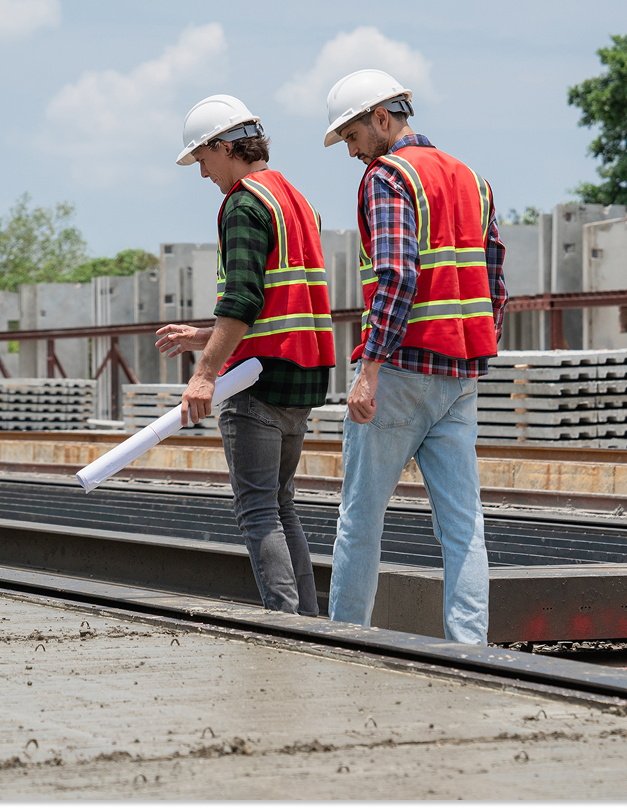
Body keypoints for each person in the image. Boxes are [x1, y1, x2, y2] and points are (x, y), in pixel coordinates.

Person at [321, 69, 507, 645]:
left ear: (382, 118)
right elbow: (496, 279)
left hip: (401, 371)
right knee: (463, 525)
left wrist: (369, 369)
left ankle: (345, 641)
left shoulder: (388, 177)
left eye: (353, 136)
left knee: (360, 518)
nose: (352, 152)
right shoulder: (472, 179)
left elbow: (397, 275)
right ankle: (470, 650)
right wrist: (478, 348)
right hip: (460, 375)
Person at [154, 95, 336, 617]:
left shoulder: (243, 204)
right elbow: (276, 301)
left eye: (203, 159)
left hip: (256, 382)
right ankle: (307, 618)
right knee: (280, 504)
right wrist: (204, 337)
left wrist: (205, 374)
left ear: (225, 146)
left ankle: (285, 622)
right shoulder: (295, 200)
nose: (203, 173)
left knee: (257, 510)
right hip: (303, 374)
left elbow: (242, 299)